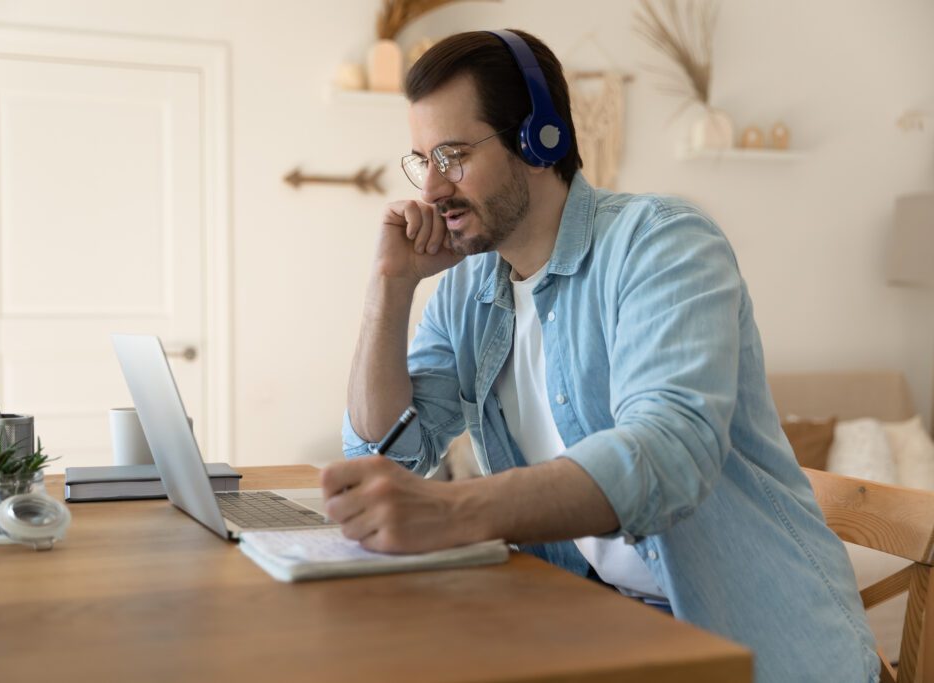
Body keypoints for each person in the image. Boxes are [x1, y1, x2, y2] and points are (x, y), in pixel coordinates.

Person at [321, 29, 879, 683]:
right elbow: (382, 455)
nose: (434, 189)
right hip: (604, 633)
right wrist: (389, 286)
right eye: (422, 160)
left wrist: (451, 510)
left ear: (540, 137)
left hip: (759, 647)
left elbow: (670, 451)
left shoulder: (663, 242)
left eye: (453, 154)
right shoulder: (468, 289)